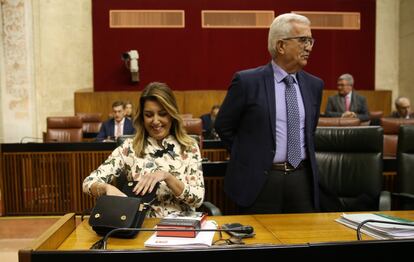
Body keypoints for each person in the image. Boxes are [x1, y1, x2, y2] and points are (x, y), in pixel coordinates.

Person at [215, 13, 324, 214]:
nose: (309, 47)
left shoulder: (314, 85)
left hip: (301, 180)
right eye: (303, 40)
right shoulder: (247, 82)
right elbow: (223, 126)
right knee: (260, 244)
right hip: (260, 182)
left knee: (303, 242)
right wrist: (251, 155)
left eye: (311, 41)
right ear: (281, 46)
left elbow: (310, 130)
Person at [83, 82, 205, 217]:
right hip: (141, 229)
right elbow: (88, 182)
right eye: (149, 115)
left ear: (171, 114)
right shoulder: (129, 147)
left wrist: (167, 177)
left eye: (162, 114)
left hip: (181, 229)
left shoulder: (189, 146)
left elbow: (197, 199)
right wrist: (105, 188)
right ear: (142, 117)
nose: (155, 121)